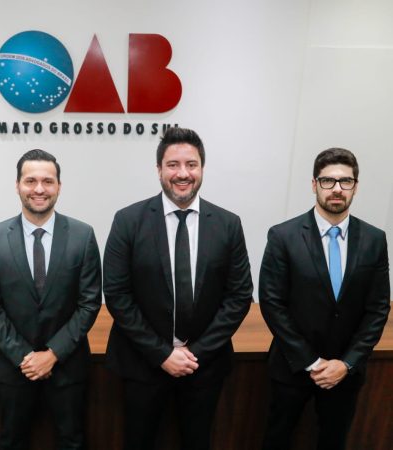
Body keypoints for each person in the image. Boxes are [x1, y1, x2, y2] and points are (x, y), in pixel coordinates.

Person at [103, 127, 253, 450]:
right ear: (159, 169)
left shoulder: (228, 224)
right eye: (173, 164)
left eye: (191, 164)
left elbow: (239, 296)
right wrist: (162, 354)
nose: (183, 173)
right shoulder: (128, 221)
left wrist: (195, 354)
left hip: (204, 365)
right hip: (142, 363)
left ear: (202, 168)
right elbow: (117, 294)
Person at [259, 148, 390, 450]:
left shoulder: (374, 239)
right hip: (293, 366)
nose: (337, 189)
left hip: (346, 371)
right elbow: (272, 303)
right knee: (277, 439)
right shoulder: (283, 236)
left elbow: (378, 308)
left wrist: (347, 363)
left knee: (334, 441)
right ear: (314, 184)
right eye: (328, 181)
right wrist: (311, 362)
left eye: (346, 181)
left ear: (355, 186)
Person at [0, 149, 102, 450]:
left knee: (72, 441)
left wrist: (53, 354)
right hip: (13, 367)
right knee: (12, 441)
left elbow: (89, 303)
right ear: (17, 185)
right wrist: (25, 357)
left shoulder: (83, 235)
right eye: (30, 181)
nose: (39, 189)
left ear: (59, 186)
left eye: (48, 181)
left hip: (68, 366)